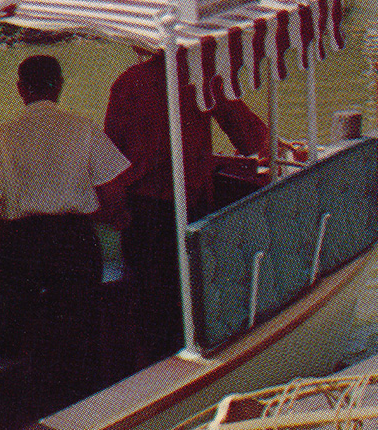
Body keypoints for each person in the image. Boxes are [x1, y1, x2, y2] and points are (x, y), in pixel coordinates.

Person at [0, 55, 130, 404]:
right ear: (59, 85)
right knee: (79, 325)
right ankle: (84, 403)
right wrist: (110, 218)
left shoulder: (3, 135)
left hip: (19, 247)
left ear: (21, 89)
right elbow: (114, 192)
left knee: (13, 327)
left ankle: (20, 403)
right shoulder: (83, 127)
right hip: (73, 241)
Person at [105, 50, 272, 363]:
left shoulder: (126, 83)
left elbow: (110, 153)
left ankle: (154, 367)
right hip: (188, 204)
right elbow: (247, 135)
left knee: (150, 296)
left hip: (142, 208)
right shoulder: (201, 78)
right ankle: (195, 359)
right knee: (192, 292)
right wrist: (270, 144)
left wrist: (114, 208)